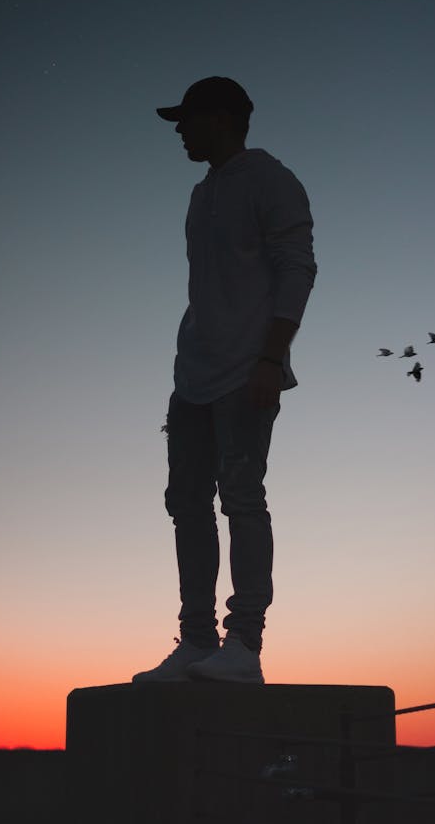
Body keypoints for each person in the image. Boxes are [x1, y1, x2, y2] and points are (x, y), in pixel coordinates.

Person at [132, 77, 317, 685]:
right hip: (194, 376)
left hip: (246, 372)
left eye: (188, 119)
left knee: (241, 496)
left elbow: (296, 271)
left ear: (223, 118)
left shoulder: (270, 180)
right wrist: (187, 373)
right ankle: (195, 641)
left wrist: (270, 359)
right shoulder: (200, 192)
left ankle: (244, 645)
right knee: (186, 503)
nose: (180, 130)